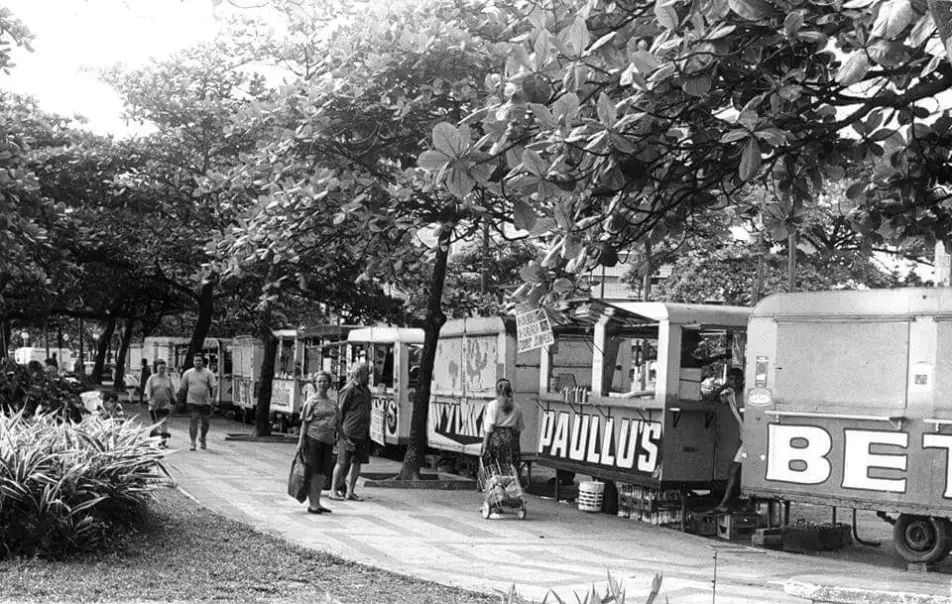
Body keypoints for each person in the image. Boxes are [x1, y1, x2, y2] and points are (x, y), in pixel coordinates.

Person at [296, 371, 340, 514]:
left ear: (329, 384)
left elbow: (338, 423)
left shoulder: (333, 403)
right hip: (313, 440)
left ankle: (318, 502)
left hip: (328, 441)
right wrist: (300, 442)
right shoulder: (311, 402)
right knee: (313, 471)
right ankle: (313, 504)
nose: (322, 384)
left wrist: (345, 439)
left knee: (322, 473)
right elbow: (304, 424)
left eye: (325, 381)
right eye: (319, 381)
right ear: (315, 384)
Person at [329, 362, 372, 502]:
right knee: (342, 462)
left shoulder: (366, 390)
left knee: (357, 463)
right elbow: (339, 411)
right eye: (366, 372)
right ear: (359, 373)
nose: (369, 375)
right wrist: (338, 432)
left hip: (362, 432)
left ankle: (350, 491)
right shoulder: (348, 389)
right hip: (348, 431)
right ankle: (333, 490)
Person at [481, 378, 525, 501]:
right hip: (510, 440)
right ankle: (512, 496)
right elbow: (519, 428)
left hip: (495, 439)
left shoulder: (493, 406)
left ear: (496, 392)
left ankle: (495, 496)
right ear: (511, 391)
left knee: (493, 470)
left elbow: (489, 427)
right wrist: (516, 445)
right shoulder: (517, 407)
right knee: (509, 471)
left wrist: (485, 445)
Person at [714, 367, 745, 512]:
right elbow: (714, 398)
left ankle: (725, 503)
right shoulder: (730, 394)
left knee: (735, 469)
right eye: (731, 379)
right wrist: (725, 385)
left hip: (753, 439)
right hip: (745, 439)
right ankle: (728, 502)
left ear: (742, 380)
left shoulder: (746, 394)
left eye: (735, 379)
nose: (733, 382)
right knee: (735, 469)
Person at [178, 354, 217, 451]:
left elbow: (214, 386)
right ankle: (193, 442)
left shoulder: (208, 373)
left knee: (205, 423)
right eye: (196, 361)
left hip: (205, 402)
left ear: (202, 362)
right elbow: (183, 388)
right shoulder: (188, 373)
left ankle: (202, 437)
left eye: (199, 360)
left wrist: (213, 397)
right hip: (192, 401)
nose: (198, 362)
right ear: (193, 362)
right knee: (194, 419)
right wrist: (179, 401)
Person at [145, 359, 174, 447]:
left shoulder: (168, 379)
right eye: (160, 368)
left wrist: (174, 400)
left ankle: (163, 441)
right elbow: (148, 391)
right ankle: (155, 441)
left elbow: (172, 390)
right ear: (156, 368)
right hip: (154, 404)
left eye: (163, 368)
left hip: (165, 404)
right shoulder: (152, 378)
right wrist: (149, 401)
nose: (162, 369)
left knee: (164, 422)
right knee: (155, 422)